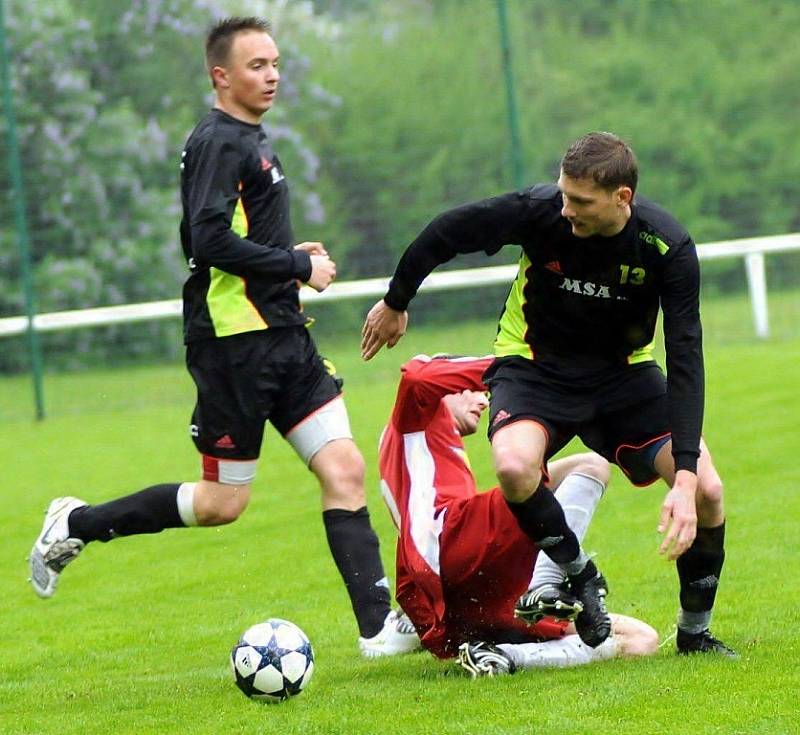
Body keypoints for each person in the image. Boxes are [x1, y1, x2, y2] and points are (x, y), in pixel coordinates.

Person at [28, 16, 418, 659]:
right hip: (235, 346)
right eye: (256, 66)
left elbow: (223, 237)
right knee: (221, 504)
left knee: (344, 468)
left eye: (275, 63)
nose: (271, 75)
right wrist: (297, 267)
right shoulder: (218, 142)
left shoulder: (250, 138)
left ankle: (377, 627)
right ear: (221, 75)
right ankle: (75, 523)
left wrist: (280, 255)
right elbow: (205, 243)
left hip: (283, 337)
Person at [362, 131, 734, 656]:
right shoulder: (540, 211)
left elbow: (687, 357)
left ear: (621, 198)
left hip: (623, 378)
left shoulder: (664, 245)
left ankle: (696, 634)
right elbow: (448, 231)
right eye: (563, 193)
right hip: (534, 368)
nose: (566, 210)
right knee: (514, 467)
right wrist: (397, 301)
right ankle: (577, 574)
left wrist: (687, 475)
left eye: (580, 201)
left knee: (709, 489)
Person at [379, 354, 658, 676]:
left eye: (487, 393)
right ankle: (547, 582)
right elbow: (418, 374)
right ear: (449, 386)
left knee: (640, 640)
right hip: (454, 543)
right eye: (475, 390)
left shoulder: (426, 451)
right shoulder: (420, 417)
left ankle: (502, 656)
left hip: (461, 597)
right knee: (588, 466)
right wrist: (522, 366)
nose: (484, 400)